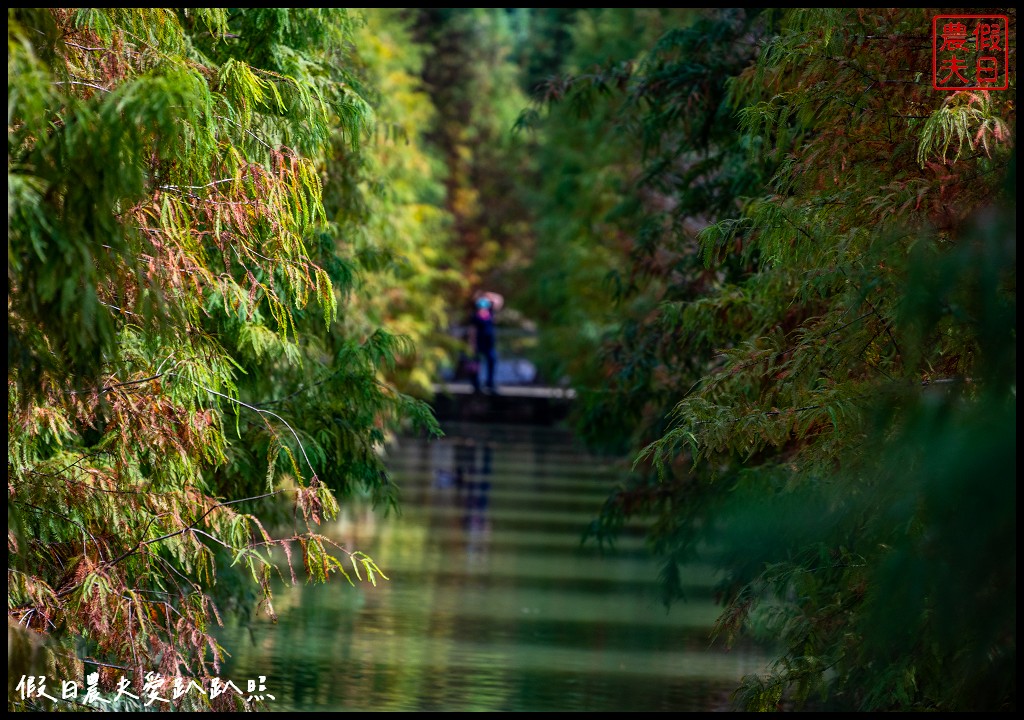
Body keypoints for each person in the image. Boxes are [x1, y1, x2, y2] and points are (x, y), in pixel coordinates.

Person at [467, 291, 503, 394]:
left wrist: (488, 294)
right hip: (478, 344)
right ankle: (476, 385)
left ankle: (490, 383)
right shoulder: (475, 316)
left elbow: (499, 300)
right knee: (475, 364)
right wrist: (472, 345)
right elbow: (472, 331)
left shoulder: (490, 313)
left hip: (489, 344)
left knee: (491, 361)